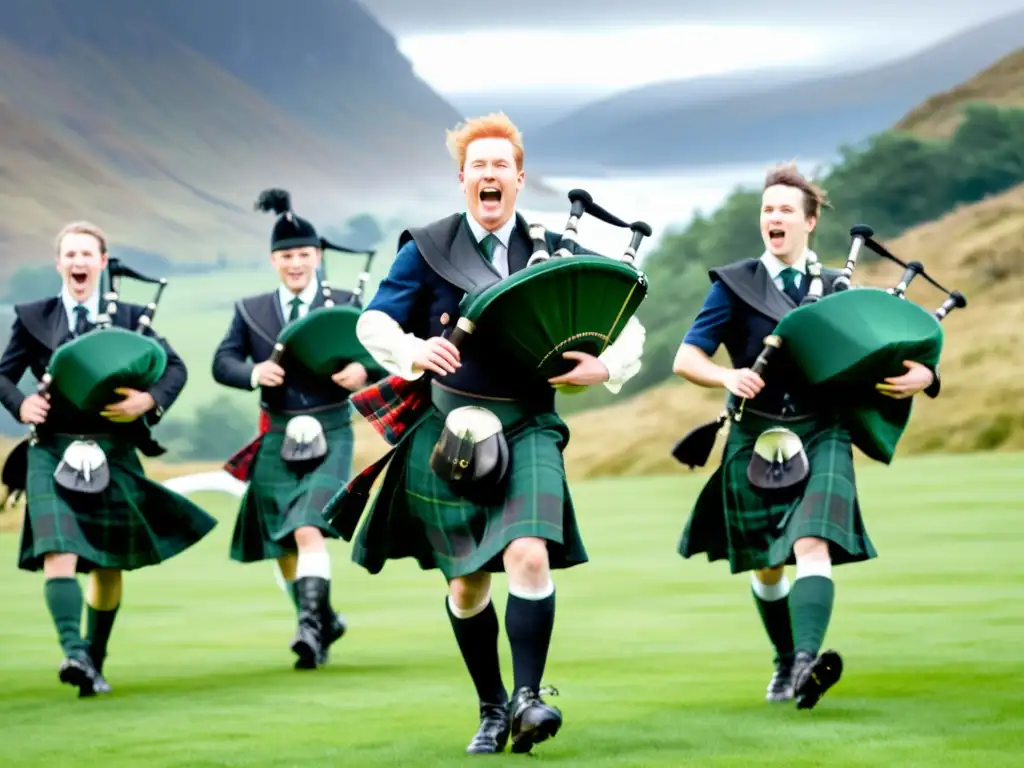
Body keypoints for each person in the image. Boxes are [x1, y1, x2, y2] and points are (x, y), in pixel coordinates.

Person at [324, 112, 646, 755]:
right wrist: (415, 352)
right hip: (448, 429)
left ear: (520, 178)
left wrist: (606, 365)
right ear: (463, 180)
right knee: (467, 582)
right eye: (480, 166)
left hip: (529, 423)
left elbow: (626, 311)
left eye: (502, 165)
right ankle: (493, 708)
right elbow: (372, 325)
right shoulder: (429, 247)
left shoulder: (554, 250)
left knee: (528, 553)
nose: (490, 175)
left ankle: (530, 699)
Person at [672, 163, 941, 709]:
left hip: (823, 431)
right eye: (768, 209)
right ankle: (784, 657)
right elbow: (686, 357)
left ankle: (806, 663)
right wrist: (727, 375)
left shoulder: (836, 290)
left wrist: (929, 375)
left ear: (810, 222)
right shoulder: (735, 286)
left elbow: (892, 347)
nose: (774, 217)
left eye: (786, 210)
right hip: (755, 431)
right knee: (768, 563)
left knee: (810, 540)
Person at [0, 221, 217, 698]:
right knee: (58, 548)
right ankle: (73, 651)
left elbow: (174, 367)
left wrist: (148, 402)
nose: (78, 262)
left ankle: (92, 663)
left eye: (87, 254)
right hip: (51, 445)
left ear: (102, 262)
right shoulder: (35, 316)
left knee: (107, 564)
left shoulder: (133, 317)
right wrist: (20, 404)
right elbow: (3, 374)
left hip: (112, 447)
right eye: (70, 254)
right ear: (59, 263)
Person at [212, 189, 386, 670]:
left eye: (304, 254)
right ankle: (321, 621)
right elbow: (222, 362)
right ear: (273, 260)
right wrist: (253, 373)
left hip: (332, 428)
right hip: (277, 432)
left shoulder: (348, 303)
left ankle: (309, 627)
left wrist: (362, 372)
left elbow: (385, 355)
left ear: (318, 255)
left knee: (308, 526)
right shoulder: (251, 311)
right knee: (284, 543)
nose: (296, 263)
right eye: (287, 255)